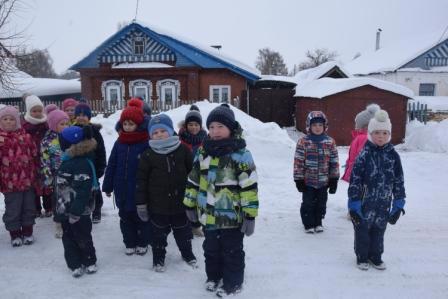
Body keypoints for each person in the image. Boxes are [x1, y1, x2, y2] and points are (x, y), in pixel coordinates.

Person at [183, 104, 259, 297]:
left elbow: (249, 187)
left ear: (231, 129)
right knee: (211, 250)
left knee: (232, 251)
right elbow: (193, 180)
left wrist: (250, 215)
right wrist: (189, 204)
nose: (215, 131)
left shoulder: (241, 155)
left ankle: (233, 282)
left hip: (232, 218)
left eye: (220, 127)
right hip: (208, 215)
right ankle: (213, 277)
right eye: (212, 127)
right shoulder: (203, 152)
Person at [135, 114, 196, 272]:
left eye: (163, 130)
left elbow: (193, 175)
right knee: (158, 236)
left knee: (184, 234)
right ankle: (158, 259)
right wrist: (141, 203)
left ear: (171, 131)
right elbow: (141, 181)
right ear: (150, 135)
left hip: (180, 204)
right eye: (155, 132)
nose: (159, 134)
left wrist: (195, 198)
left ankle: (187, 254)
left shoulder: (183, 150)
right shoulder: (148, 155)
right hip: (157, 206)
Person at [348, 109, 406, 271]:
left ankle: (376, 256)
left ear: (389, 134)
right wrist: (354, 203)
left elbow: (399, 180)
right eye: (377, 133)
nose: (381, 136)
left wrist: (399, 202)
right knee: (362, 231)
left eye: (385, 133)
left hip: (383, 203)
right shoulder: (364, 154)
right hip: (364, 202)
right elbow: (355, 180)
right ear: (370, 134)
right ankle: (362, 256)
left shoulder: (393, 155)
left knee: (379, 230)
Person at [102, 99, 151, 256]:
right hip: (122, 189)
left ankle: (143, 242)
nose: (128, 127)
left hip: (139, 190)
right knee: (125, 218)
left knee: (142, 218)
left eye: (131, 124)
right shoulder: (119, 142)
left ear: (138, 124)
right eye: (125, 124)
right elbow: (112, 165)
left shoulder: (145, 142)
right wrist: (108, 186)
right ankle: (129, 242)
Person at [56, 126, 98, 278]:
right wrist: (59, 211)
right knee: (68, 238)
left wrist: (76, 211)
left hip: (79, 211)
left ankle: (89, 261)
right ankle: (74, 264)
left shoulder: (80, 163)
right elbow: (62, 188)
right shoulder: (68, 159)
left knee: (83, 236)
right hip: (65, 208)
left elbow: (83, 191)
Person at [293, 111, 339, 233]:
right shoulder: (303, 142)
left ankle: (318, 222)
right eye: (314, 125)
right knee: (308, 203)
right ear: (309, 126)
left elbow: (334, 161)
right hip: (308, 181)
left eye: (320, 125)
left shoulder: (330, 142)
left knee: (321, 203)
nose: (317, 128)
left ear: (325, 126)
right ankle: (308, 223)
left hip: (324, 181)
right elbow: (298, 161)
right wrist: (298, 179)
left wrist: (334, 179)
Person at [0, 106, 38, 246]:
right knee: (13, 209)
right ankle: (15, 233)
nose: (9, 122)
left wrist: (37, 173)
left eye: (11, 119)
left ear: (17, 121)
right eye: (5, 119)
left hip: (28, 180)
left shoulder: (26, 137)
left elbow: (34, 155)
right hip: (9, 183)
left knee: (29, 207)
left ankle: (28, 232)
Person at [74, 103, 106, 223]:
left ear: (89, 117)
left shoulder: (95, 132)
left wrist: (101, 166)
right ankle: (82, 209)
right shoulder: (73, 130)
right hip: (77, 167)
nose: (81, 117)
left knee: (95, 189)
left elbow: (101, 150)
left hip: (92, 167)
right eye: (79, 115)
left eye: (84, 115)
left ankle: (97, 210)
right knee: (80, 190)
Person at [40, 106, 70, 238]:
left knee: (70, 197)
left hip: (70, 173)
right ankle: (59, 223)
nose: (65, 126)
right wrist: (48, 176)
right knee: (58, 200)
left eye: (66, 123)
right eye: (61, 124)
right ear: (53, 125)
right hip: (56, 174)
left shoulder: (70, 136)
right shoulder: (47, 141)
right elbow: (44, 160)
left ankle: (70, 220)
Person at [178, 104, 207, 237]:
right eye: (191, 124)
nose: (193, 127)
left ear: (200, 126)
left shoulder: (206, 140)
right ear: (186, 125)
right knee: (185, 201)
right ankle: (184, 225)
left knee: (198, 202)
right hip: (183, 176)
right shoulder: (180, 139)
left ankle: (195, 226)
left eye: (196, 124)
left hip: (200, 177)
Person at [21, 95, 49, 217]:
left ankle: (49, 207)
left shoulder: (46, 124)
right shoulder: (25, 127)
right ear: (29, 111)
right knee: (34, 187)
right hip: (31, 161)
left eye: (39, 110)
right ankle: (36, 209)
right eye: (34, 111)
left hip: (45, 159)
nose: (37, 113)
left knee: (47, 184)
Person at [342, 104, 380, 182]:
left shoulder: (364, 138)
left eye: (357, 124)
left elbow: (362, 159)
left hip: (356, 178)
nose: (355, 126)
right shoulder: (361, 137)